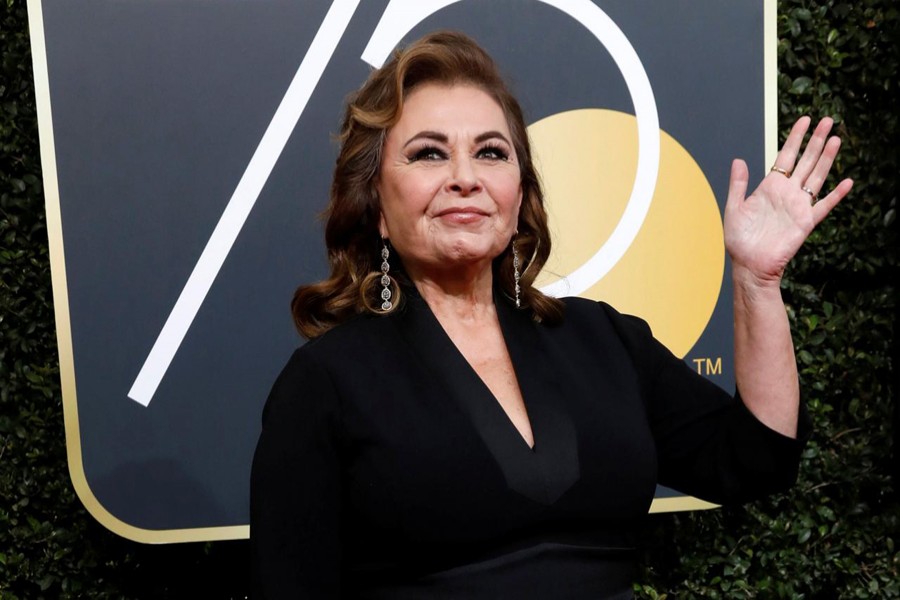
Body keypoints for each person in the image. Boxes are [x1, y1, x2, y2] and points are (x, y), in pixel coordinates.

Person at [250, 30, 853, 599]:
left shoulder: (603, 341)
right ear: (376, 204)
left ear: (519, 196)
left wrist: (755, 280)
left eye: (491, 152)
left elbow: (756, 460)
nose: (465, 178)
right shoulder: (325, 384)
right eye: (429, 154)